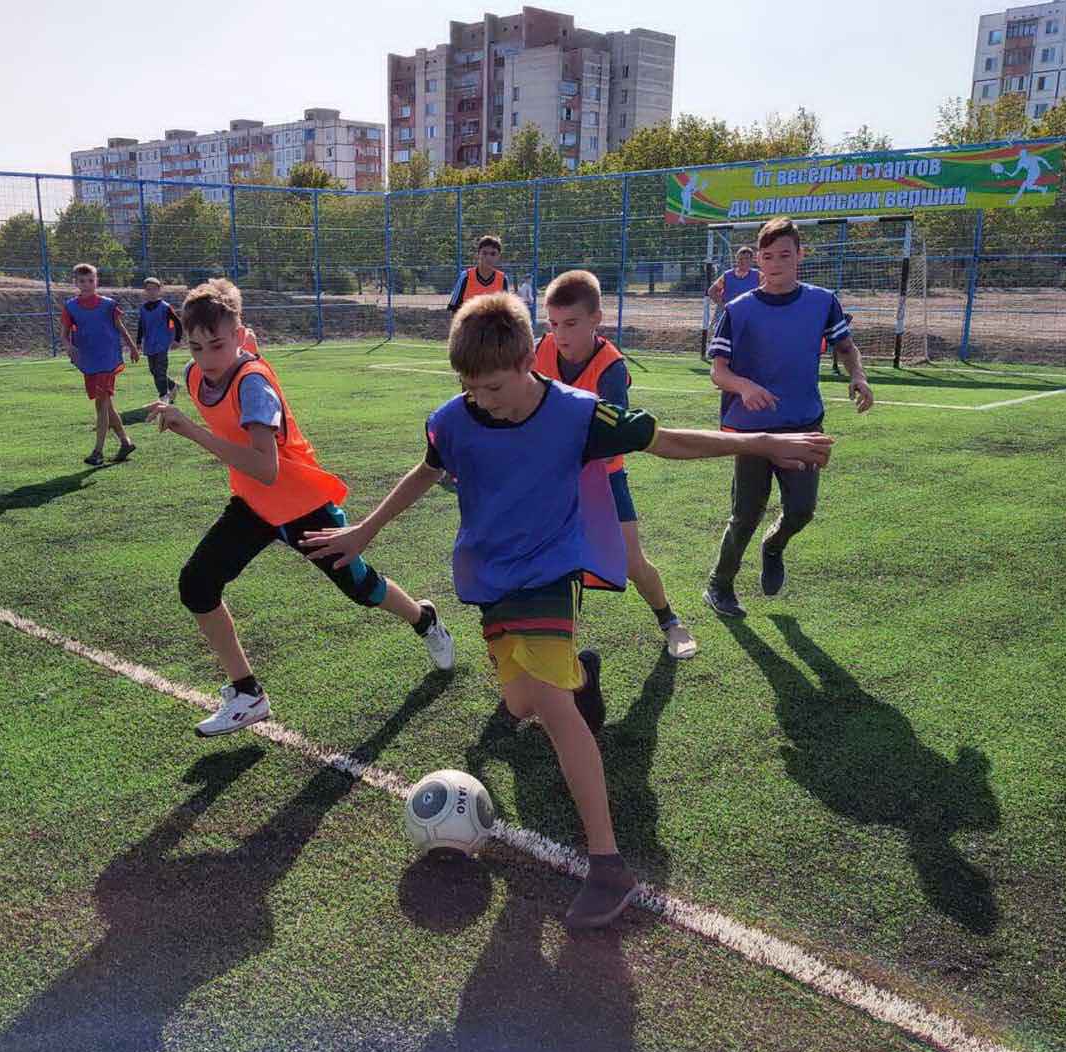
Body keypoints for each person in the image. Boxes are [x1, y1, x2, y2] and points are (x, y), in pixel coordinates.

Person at [299, 292, 832, 928]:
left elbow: (666, 442)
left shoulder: (578, 415)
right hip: (491, 577)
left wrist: (768, 442)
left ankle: (608, 866)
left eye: (493, 386)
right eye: (470, 387)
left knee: (550, 710)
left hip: (550, 575)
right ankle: (581, 676)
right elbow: (427, 469)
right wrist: (364, 531)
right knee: (522, 704)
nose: (482, 400)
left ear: (529, 360)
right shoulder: (452, 418)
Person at [145, 279, 455, 737]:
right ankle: (247, 692)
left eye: (218, 345)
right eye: (196, 347)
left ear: (236, 335)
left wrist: (192, 431)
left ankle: (423, 618)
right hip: (254, 505)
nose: (208, 358)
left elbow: (265, 467)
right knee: (197, 584)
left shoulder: (252, 386)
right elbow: (227, 358)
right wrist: (171, 398)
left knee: (361, 588)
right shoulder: (197, 373)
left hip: (301, 502)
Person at [702, 217, 873, 619]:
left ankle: (774, 545)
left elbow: (846, 347)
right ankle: (719, 584)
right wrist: (744, 387)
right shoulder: (738, 311)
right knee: (746, 512)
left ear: (800, 256)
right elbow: (718, 371)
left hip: (803, 424)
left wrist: (859, 376)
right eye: (768, 256)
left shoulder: (822, 301)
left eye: (784, 255)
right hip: (753, 429)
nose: (775, 263)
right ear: (758, 260)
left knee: (801, 509)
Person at [534, 270, 697, 660]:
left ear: (597, 319)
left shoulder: (610, 369)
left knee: (630, 562)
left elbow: (611, 444)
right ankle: (554, 646)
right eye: (554, 324)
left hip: (602, 480)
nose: (561, 334)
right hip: (550, 480)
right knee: (550, 561)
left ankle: (669, 620)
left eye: (571, 323)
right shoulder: (539, 350)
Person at [60, 263, 141, 466]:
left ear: (97, 281)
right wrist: (68, 345)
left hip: (108, 358)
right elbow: (64, 333)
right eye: (82, 281)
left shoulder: (108, 305)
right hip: (88, 359)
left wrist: (132, 347)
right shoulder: (70, 307)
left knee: (101, 404)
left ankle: (98, 451)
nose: (86, 284)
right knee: (106, 404)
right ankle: (125, 442)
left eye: (90, 280)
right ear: (75, 282)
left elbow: (120, 327)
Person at [135, 277, 184, 402]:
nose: (151, 292)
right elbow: (141, 326)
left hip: (162, 344)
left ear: (159, 290)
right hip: (149, 345)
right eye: (148, 289)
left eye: (154, 289)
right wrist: (138, 342)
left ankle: (163, 396)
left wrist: (177, 340)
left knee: (160, 371)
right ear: (145, 291)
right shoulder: (143, 309)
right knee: (154, 371)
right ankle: (173, 385)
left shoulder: (165, 307)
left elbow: (177, 323)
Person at [447, 234, 511, 312]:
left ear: (498, 256)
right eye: (484, 253)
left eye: (493, 254)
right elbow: (453, 309)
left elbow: (506, 311)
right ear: (478, 254)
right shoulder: (466, 276)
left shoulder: (503, 279)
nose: (488, 257)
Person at [707, 245, 761, 315]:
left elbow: (768, 291)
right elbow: (711, 291)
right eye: (740, 259)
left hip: (751, 314)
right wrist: (723, 305)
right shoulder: (727, 276)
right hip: (731, 314)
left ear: (751, 260)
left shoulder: (758, 275)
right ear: (736, 259)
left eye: (747, 258)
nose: (743, 261)